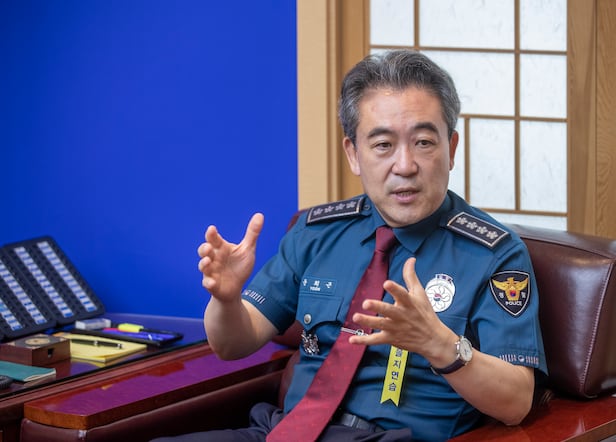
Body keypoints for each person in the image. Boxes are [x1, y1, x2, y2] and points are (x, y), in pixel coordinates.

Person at [155, 49, 547, 441]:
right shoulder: (317, 232)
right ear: (353, 154)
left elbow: (515, 403)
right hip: (282, 431)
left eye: (424, 142)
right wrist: (225, 300)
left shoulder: (494, 253)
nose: (405, 165)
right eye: (383, 145)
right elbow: (232, 345)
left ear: (452, 149)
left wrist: (438, 344)